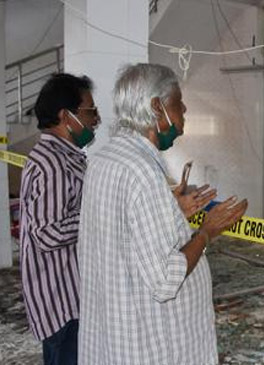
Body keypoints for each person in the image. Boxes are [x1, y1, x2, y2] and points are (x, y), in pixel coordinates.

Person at [78, 63, 247, 365]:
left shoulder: (104, 159)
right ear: (157, 107)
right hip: (147, 343)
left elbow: (125, 234)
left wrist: (172, 208)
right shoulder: (142, 172)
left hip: (112, 334)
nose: (184, 109)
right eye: (178, 102)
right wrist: (208, 231)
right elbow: (165, 280)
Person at [19, 73, 100, 365]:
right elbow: (47, 233)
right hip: (62, 302)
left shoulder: (65, 156)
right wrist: (95, 215)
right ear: (66, 116)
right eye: (89, 111)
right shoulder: (53, 163)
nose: (95, 119)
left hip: (70, 295)